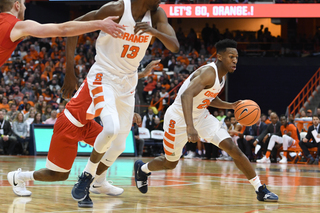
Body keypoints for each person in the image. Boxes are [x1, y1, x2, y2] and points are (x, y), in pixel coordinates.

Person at [133, 39, 278, 202]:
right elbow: (186, 95)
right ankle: (143, 169)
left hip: (201, 115)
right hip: (179, 117)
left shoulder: (221, 77)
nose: (235, 60)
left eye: (237, 57)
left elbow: (208, 97)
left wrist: (230, 105)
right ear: (220, 56)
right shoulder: (209, 72)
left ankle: (259, 189)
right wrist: (190, 127)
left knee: (232, 148)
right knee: (170, 163)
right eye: (231, 56)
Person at [64, 0, 179, 205]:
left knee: (119, 145)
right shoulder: (116, 9)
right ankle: (86, 177)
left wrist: (153, 31)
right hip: (104, 76)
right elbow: (73, 27)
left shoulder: (156, 15)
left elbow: (174, 45)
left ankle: (98, 182)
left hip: (128, 82)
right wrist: (69, 72)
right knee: (110, 129)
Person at [7, 61, 160, 207]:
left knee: (111, 143)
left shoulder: (108, 75)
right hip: (69, 124)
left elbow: (119, 81)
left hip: (86, 123)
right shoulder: (99, 75)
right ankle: (19, 177)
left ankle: (99, 182)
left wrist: (141, 75)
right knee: (59, 175)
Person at [0, 0, 125, 67]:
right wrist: (100, 24)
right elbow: (62, 29)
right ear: (16, 5)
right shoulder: (17, 26)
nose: (25, 7)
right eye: (23, 4)